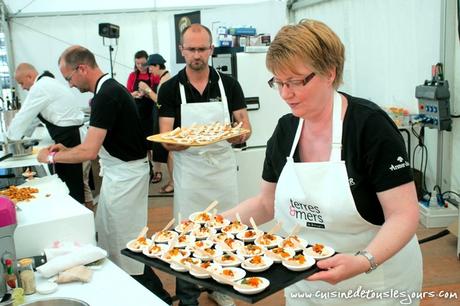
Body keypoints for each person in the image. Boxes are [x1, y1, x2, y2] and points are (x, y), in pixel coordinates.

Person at [223, 19, 423, 305]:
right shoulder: (286, 130)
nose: (285, 93)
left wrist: (363, 260)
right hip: (308, 284)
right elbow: (266, 203)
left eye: (295, 81)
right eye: (278, 82)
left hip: (374, 281)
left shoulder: (369, 126)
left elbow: (403, 214)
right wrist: (212, 223)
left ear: (330, 73)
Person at [36, 45, 172, 305]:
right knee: (109, 236)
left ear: (82, 68)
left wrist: (51, 157)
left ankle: (158, 297)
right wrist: (67, 149)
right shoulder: (108, 90)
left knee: (126, 245)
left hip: (127, 178)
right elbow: (98, 141)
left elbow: (89, 151)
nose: (71, 85)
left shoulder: (106, 95)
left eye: (69, 78)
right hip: (119, 175)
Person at [158, 24, 251, 306]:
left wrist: (239, 134)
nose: (196, 55)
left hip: (222, 172)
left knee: (225, 231)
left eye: (202, 49)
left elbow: (244, 125)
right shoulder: (171, 88)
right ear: (181, 50)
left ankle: (223, 287)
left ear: (211, 49)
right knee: (188, 235)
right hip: (191, 175)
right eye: (191, 49)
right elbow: (165, 138)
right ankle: (188, 297)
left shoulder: (229, 84)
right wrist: (186, 141)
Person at [7, 63, 89, 205]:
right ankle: (83, 215)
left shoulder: (40, 87)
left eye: (21, 83)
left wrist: (10, 138)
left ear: (30, 76)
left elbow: (24, 115)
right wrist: (23, 136)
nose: (22, 87)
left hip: (70, 138)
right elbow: (33, 117)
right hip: (73, 136)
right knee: (78, 183)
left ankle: (77, 218)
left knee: (71, 186)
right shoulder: (47, 83)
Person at [137, 53, 174, 194]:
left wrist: (147, 89)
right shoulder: (164, 78)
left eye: (151, 67)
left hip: (166, 120)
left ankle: (173, 182)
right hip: (161, 118)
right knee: (169, 153)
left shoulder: (165, 80)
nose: (149, 70)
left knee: (170, 153)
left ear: (157, 65)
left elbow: (160, 102)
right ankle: (173, 181)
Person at [126, 50, 162, 184]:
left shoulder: (153, 75)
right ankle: (149, 168)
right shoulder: (132, 76)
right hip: (139, 113)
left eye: (143, 63)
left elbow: (158, 94)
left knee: (155, 143)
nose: (141, 66)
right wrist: (134, 94)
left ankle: (158, 170)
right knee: (144, 144)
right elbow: (127, 93)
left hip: (151, 112)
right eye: (138, 63)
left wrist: (148, 91)